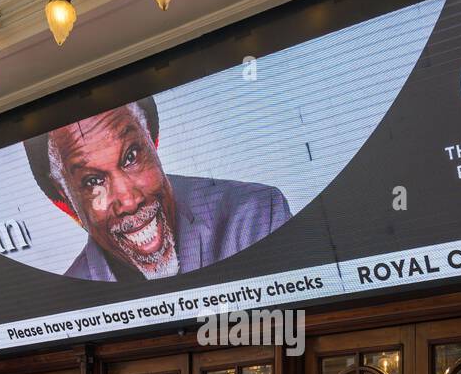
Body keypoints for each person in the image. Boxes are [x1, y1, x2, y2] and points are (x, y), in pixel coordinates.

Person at [24, 96, 293, 281]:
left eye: (131, 157)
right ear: (67, 203)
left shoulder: (254, 215)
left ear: (153, 141)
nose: (128, 200)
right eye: (93, 181)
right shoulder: (71, 296)